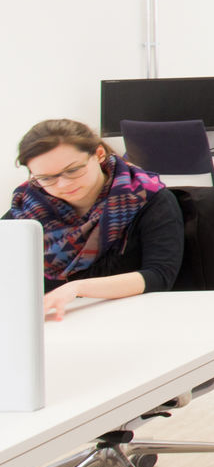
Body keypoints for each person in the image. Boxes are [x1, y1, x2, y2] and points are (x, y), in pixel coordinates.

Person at [7, 119, 182, 320]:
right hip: (57, 325)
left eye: (73, 170)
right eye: (46, 178)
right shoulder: (26, 210)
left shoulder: (147, 199)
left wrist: (77, 288)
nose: (63, 184)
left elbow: (159, 276)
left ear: (99, 154)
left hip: (132, 320)